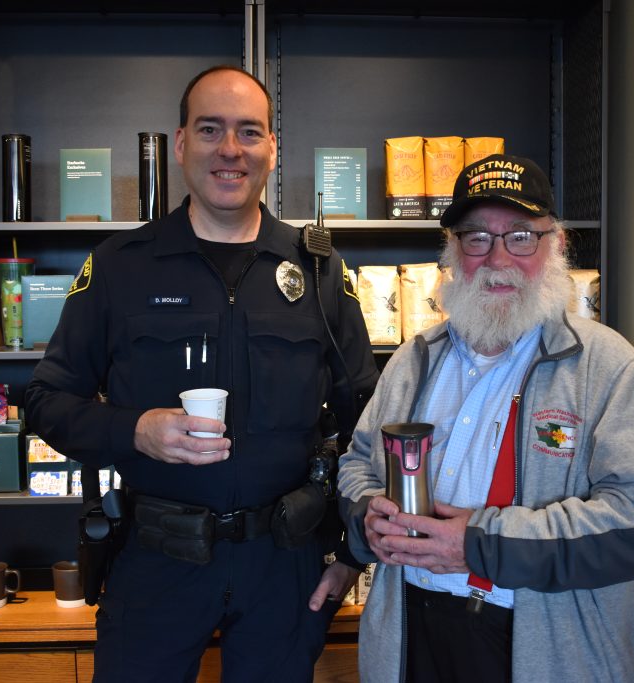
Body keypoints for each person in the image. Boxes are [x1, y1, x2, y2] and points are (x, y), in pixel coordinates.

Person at [25, 65, 379, 682]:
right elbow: (46, 401)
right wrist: (135, 430)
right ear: (182, 144)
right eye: (210, 129)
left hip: (286, 563)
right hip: (157, 559)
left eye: (249, 132)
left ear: (273, 149)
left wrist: (352, 551)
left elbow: (366, 422)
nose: (231, 150)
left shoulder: (317, 270)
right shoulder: (120, 267)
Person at [337, 153, 634, 683]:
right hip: (413, 639)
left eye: (521, 236)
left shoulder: (607, 367)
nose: (498, 258)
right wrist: (368, 516)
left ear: (556, 245)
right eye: (476, 238)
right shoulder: (414, 359)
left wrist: (479, 544)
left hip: (547, 649)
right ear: (452, 252)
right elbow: (359, 461)